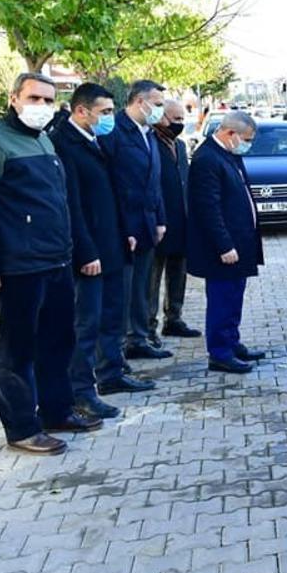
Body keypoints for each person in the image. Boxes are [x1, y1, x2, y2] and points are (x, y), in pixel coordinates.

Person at [0, 72, 101, 454]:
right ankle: (21, 428)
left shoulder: (42, 140)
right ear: (13, 99)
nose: (42, 107)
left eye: (49, 100)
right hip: (19, 266)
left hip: (55, 261)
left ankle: (56, 411)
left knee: (58, 341)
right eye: (34, 98)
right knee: (18, 350)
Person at [52, 83, 156, 412]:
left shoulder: (96, 140)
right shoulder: (64, 145)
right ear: (81, 111)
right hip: (90, 253)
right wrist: (85, 252)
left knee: (113, 315)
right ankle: (82, 392)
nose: (111, 118)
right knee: (87, 323)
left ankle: (111, 372)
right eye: (105, 112)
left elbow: (114, 193)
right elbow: (73, 205)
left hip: (113, 245)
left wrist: (126, 232)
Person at [187, 111, 265, 373]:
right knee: (222, 300)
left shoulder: (228, 154)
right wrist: (224, 245)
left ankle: (232, 343)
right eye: (246, 139)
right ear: (230, 133)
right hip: (224, 248)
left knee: (233, 298)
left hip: (240, 243)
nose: (247, 144)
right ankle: (219, 352)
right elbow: (207, 207)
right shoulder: (207, 158)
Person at [100, 79, 171, 362]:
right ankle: (117, 348)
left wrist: (160, 218)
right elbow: (112, 184)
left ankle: (138, 338)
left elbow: (155, 181)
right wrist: (121, 227)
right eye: (157, 104)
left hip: (148, 222)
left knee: (142, 286)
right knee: (123, 290)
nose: (160, 111)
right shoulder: (115, 131)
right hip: (124, 225)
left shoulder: (148, 132)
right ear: (139, 102)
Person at [148, 98, 200, 342]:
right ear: (161, 117)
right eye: (175, 118)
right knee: (152, 278)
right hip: (157, 222)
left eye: (182, 118)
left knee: (178, 272)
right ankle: (148, 327)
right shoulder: (149, 142)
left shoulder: (179, 145)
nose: (180, 123)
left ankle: (174, 318)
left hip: (181, 220)